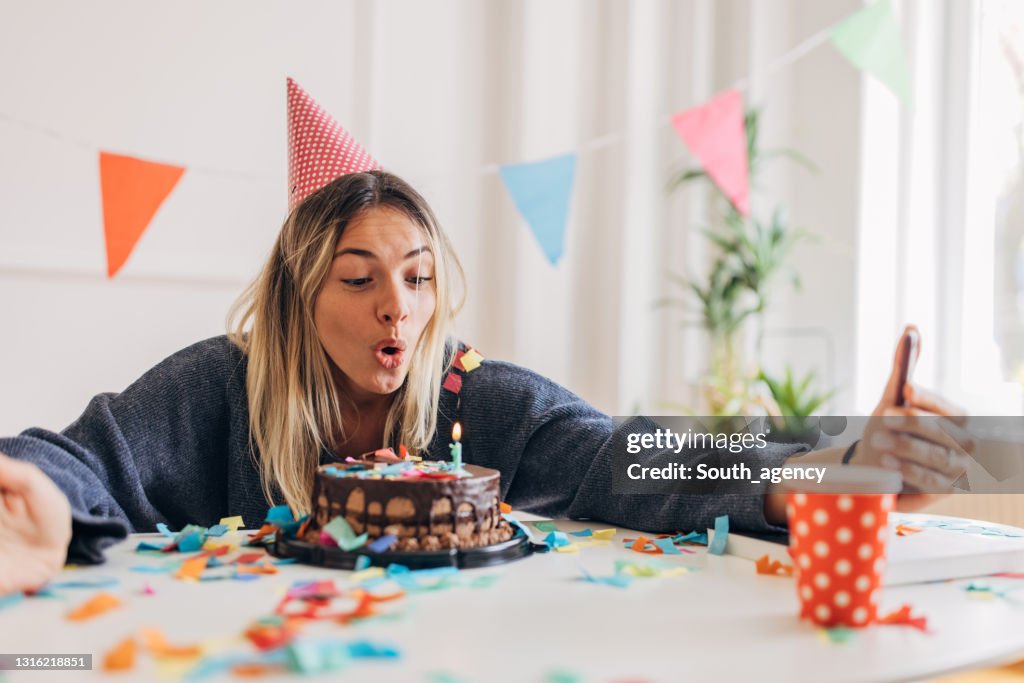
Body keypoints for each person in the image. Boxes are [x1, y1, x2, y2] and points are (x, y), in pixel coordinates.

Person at [0, 83, 975, 596]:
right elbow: (82, 458)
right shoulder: (221, 386)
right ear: (301, 291)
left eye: (419, 278)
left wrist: (827, 466)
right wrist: (31, 496)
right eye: (359, 278)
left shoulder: (475, 398)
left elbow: (632, 453)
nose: (400, 308)